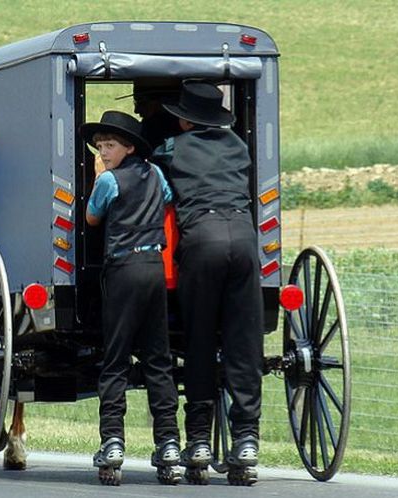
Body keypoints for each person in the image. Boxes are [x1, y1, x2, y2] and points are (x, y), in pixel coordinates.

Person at [155, 80, 263, 486]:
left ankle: (199, 438)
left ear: (184, 119)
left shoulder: (172, 147)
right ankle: (247, 438)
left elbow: (150, 171)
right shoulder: (239, 145)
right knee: (243, 339)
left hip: (202, 240)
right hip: (244, 236)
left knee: (199, 338)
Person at [81, 110, 182, 486]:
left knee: (116, 359)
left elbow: (92, 219)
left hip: (123, 270)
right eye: (100, 147)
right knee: (158, 359)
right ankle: (169, 443)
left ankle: (112, 442)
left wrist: (97, 181)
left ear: (128, 147)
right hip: (155, 267)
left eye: (109, 146)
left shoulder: (108, 180)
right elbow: (168, 198)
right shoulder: (155, 173)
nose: (103, 152)